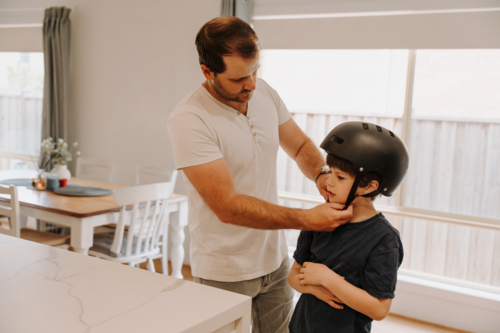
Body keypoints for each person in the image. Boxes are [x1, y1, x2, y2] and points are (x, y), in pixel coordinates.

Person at [167, 16, 352, 332]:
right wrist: (307, 219)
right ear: (208, 72)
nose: (251, 83)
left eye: (255, 70)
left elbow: (299, 145)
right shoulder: (189, 120)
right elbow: (226, 206)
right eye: (240, 78)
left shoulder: (263, 92)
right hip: (224, 271)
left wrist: (323, 176)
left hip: (275, 261)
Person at [288, 121, 410, 333]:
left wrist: (327, 278)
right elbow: (293, 277)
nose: (328, 182)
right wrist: (316, 289)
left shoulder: (384, 240)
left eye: (340, 177)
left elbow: (379, 309)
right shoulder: (318, 219)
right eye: (330, 172)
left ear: (370, 186)